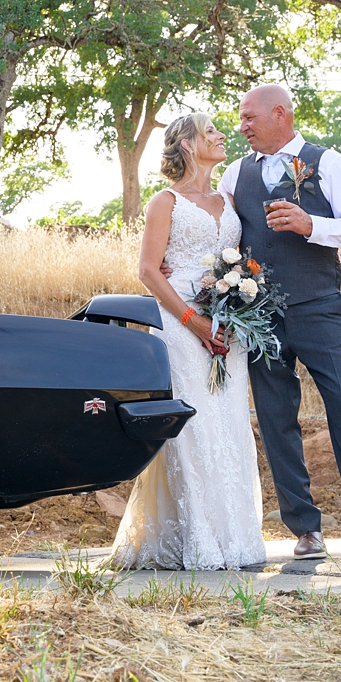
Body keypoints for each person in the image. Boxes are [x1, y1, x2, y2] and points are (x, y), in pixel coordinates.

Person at [218, 84, 341, 560]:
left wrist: (311, 226)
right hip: (258, 316)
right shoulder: (236, 174)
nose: (242, 128)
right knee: (277, 420)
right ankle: (304, 530)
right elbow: (222, 237)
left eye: (249, 118)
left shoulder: (330, 163)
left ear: (279, 114)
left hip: (319, 307)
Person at [110, 113, 267, 570]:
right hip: (180, 322)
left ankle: (236, 540)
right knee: (195, 428)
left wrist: (239, 310)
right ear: (185, 144)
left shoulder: (229, 198)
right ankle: (197, 540)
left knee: (230, 425)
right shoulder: (166, 202)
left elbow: (241, 260)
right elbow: (146, 271)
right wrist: (192, 320)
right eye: (211, 131)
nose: (222, 136)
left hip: (228, 323)